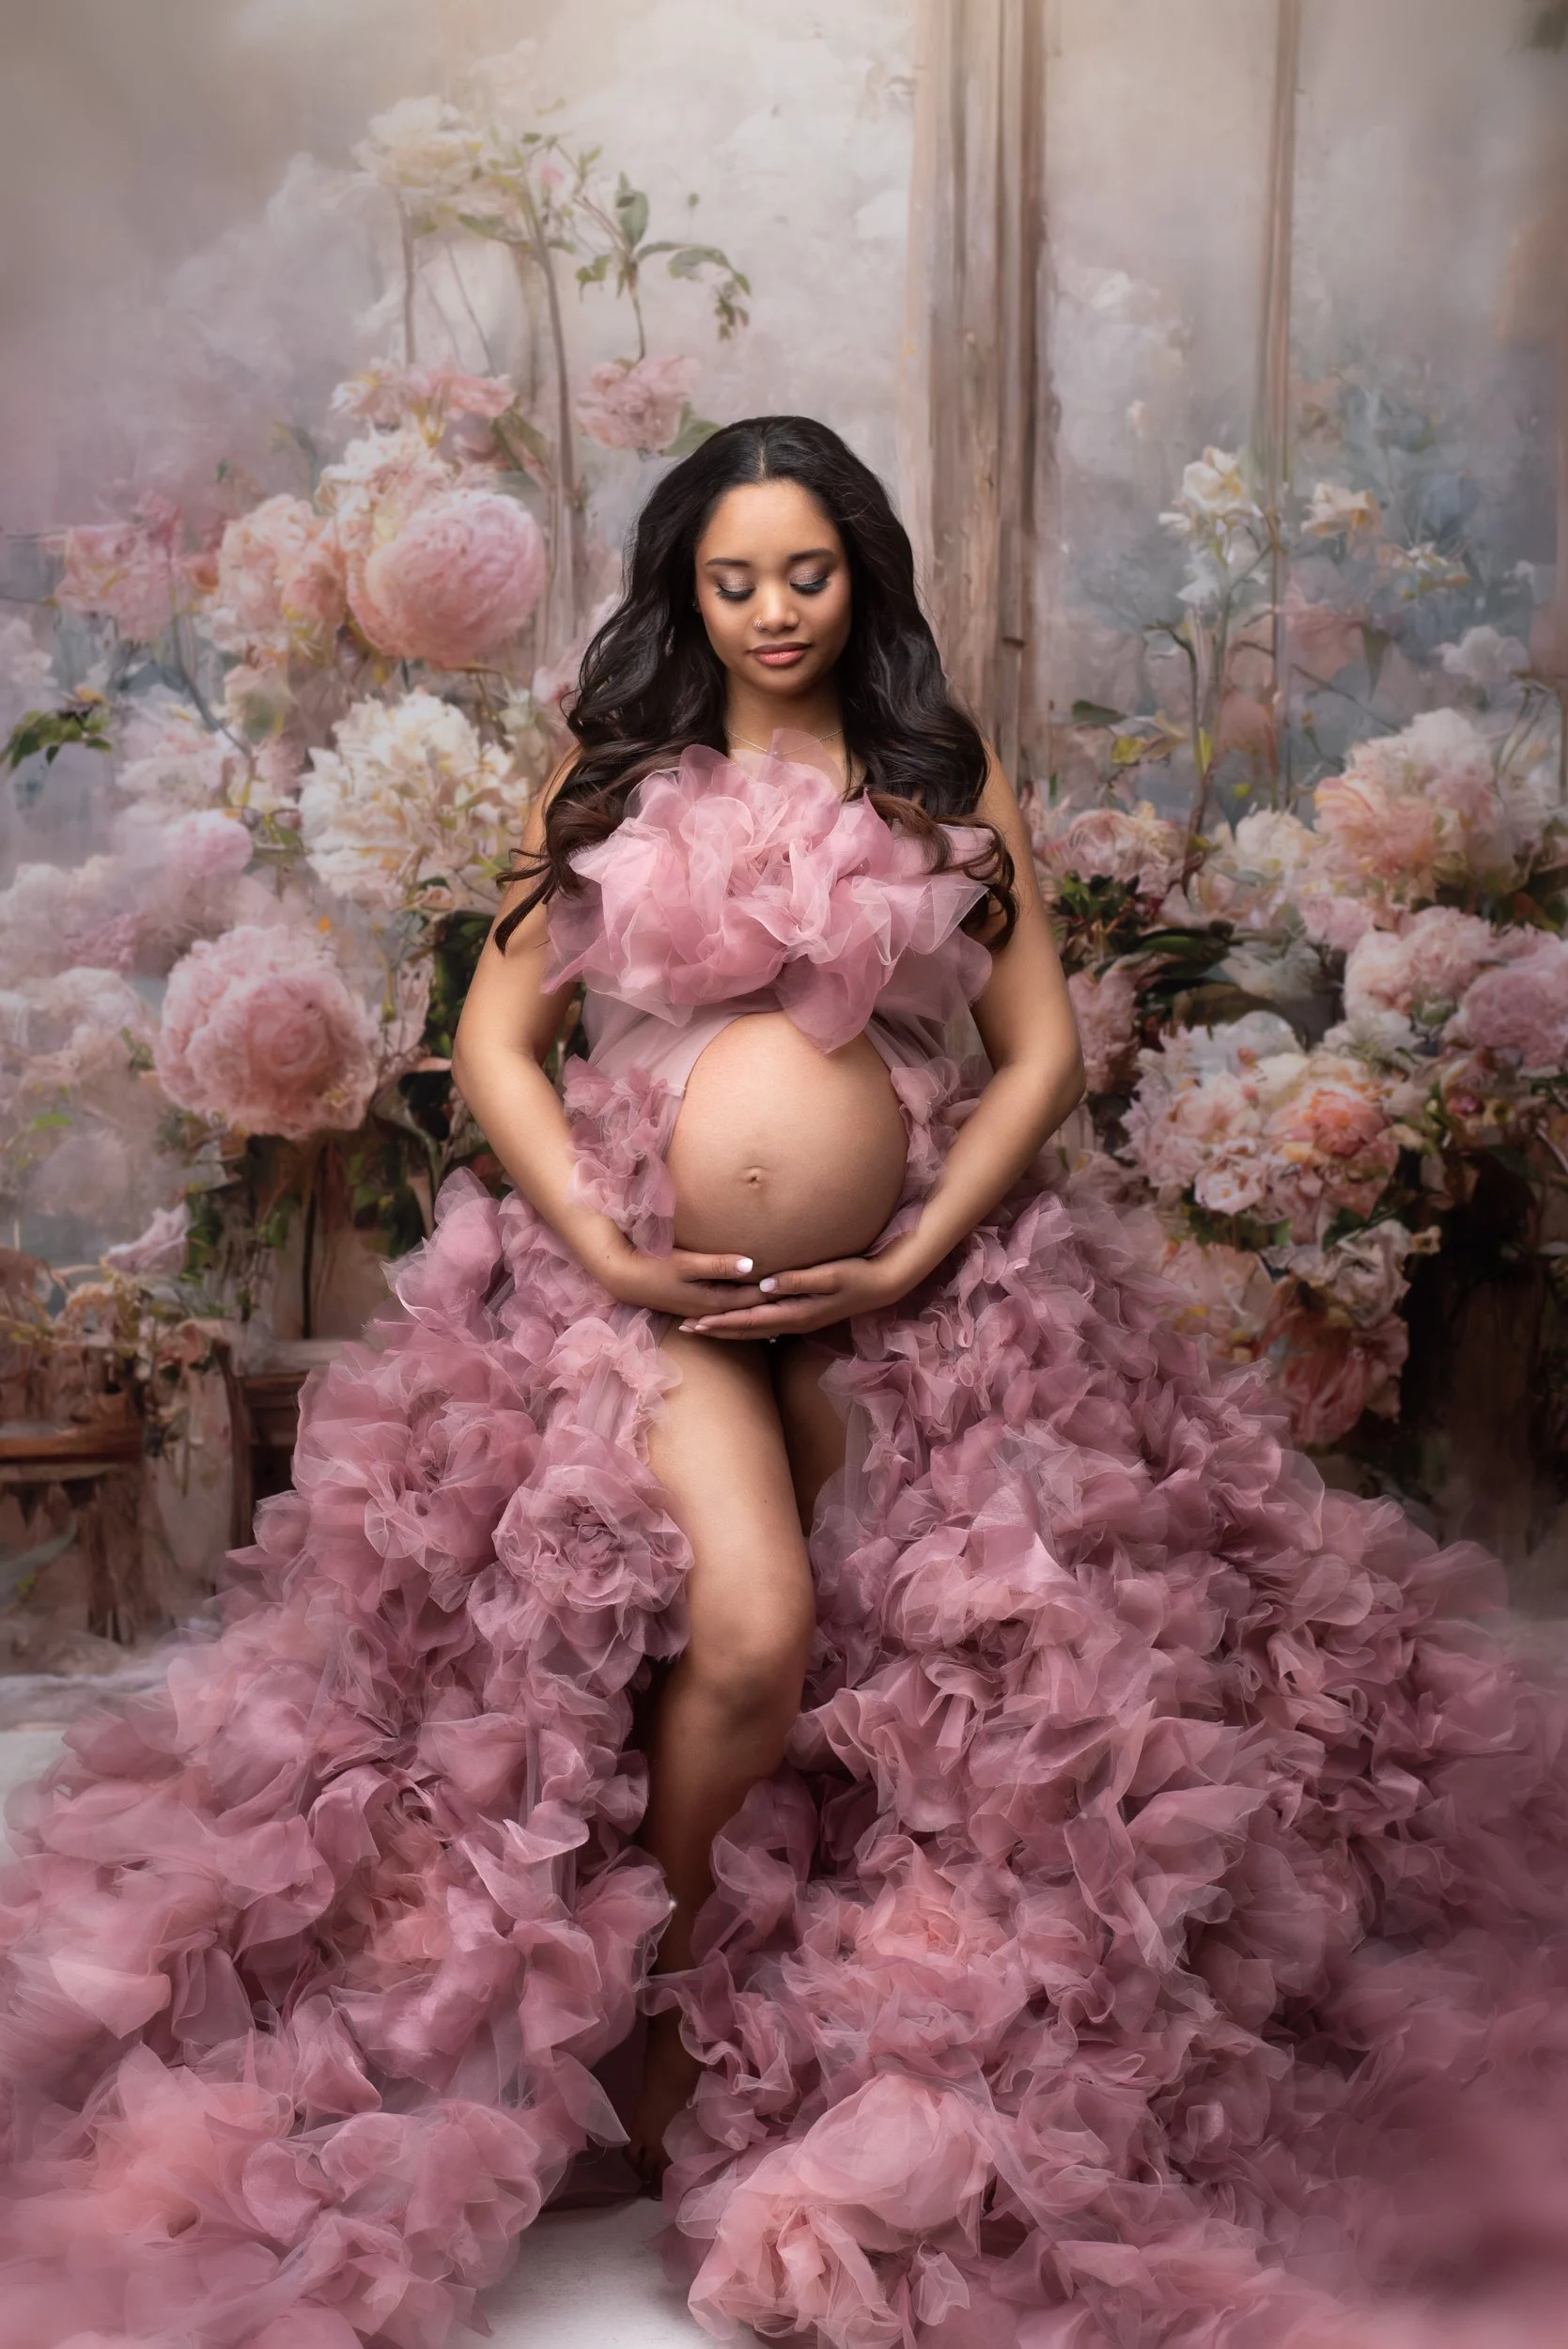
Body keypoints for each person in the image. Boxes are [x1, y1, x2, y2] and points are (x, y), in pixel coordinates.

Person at [2, 415, 1568, 2349]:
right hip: (645, 1293)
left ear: (861, 575)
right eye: (730, 579)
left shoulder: (931, 765)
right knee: (746, 1630)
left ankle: (820, 2040)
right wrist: (598, 1238)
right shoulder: (615, 764)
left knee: (941, 1666)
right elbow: (495, 1038)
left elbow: (1043, 1048)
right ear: (684, 586)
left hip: (914, 1287)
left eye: (803, 574)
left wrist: (912, 1245)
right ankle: (628, 2037)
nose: (767, 612)